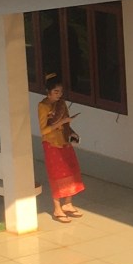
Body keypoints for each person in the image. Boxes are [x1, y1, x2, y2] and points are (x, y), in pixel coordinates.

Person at [38, 73, 85, 223]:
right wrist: (60, 122)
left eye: (60, 92)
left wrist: (71, 132)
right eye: (56, 92)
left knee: (71, 170)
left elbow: (66, 124)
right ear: (48, 91)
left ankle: (68, 203)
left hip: (64, 141)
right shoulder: (43, 106)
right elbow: (43, 130)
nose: (59, 95)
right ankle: (57, 208)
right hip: (51, 143)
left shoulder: (62, 104)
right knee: (56, 175)